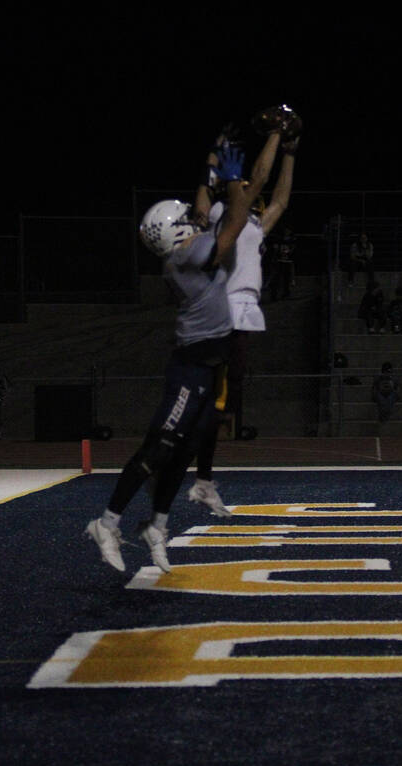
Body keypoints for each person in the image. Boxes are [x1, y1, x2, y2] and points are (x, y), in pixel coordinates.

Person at [84, 130, 277, 572]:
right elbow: (231, 220)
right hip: (191, 369)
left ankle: (156, 525)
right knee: (160, 447)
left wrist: (210, 172)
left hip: (209, 366)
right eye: (186, 222)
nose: (195, 221)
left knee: (186, 449)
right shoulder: (192, 256)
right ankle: (107, 521)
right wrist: (231, 181)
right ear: (177, 234)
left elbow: (207, 214)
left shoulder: (183, 252)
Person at [187, 116, 298, 516]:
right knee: (207, 405)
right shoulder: (222, 213)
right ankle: (187, 471)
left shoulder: (251, 222)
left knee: (220, 407)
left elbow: (281, 199)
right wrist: (274, 133)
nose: (252, 188)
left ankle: (202, 478)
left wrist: (289, 154)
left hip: (243, 316)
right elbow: (256, 178)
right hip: (222, 313)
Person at [266, 227, 295, 302]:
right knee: (276, 279)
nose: (286, 232)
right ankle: (274, 295)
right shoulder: (279, 240)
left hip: (288, 261)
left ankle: (286, 294)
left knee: (287, 279)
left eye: (288, 230)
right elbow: (274, 249)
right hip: (279, 261)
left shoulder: (292, 240)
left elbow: (293, 250)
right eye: (285, 230)